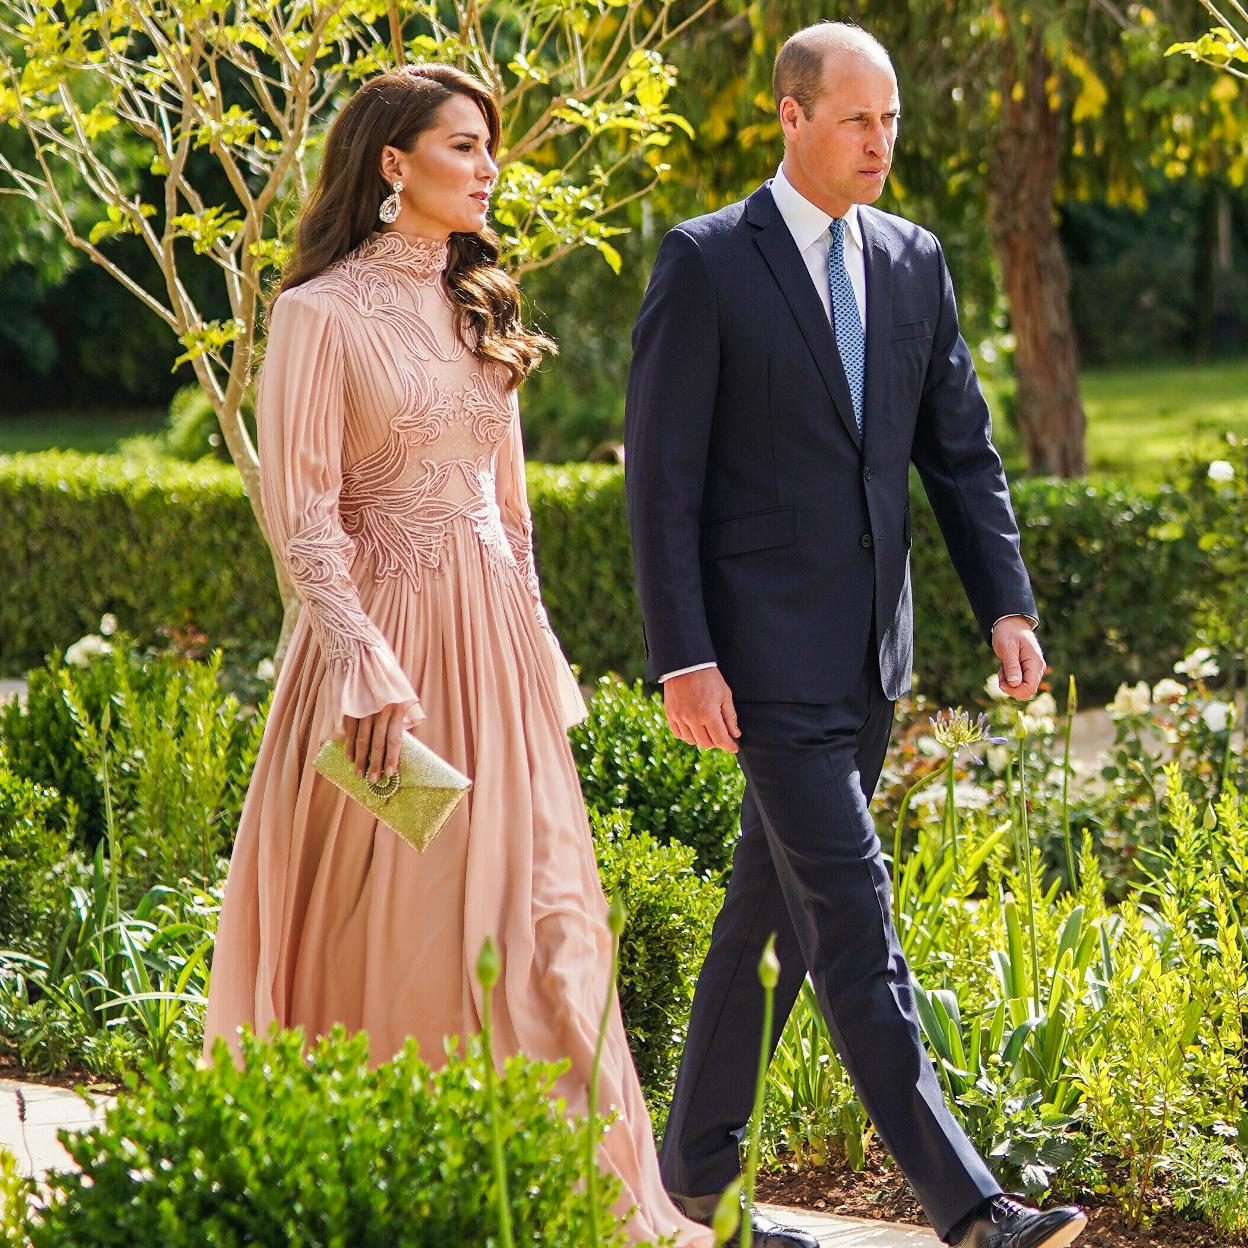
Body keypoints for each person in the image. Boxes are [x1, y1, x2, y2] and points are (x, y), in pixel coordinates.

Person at [201, 62, 713, 1247]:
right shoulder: (317, 314)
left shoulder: (484, 300)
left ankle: (572, 1199)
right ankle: (408, 1188)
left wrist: (538, 654)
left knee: (550, 927)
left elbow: (511, 514)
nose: (489, 167)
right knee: (413, 929)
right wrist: (362, 662)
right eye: (463, 145)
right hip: (386, 662)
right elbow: (303, 515)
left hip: (497, 660)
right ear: (394, 163)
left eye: (490, 147)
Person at [624, 21, 1087, 1248]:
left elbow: (960, 453)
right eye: (856, 120)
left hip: (871, 656)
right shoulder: (706, 261)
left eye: (890, 120)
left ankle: (694, 1180)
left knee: (764, 921)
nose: (880, 142)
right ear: (791, 116)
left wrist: (1006, 603)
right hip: (758, 663)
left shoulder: (913, 259)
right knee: (852, 917)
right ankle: (972, 1209)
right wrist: (685, 655)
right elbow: (661, 484)